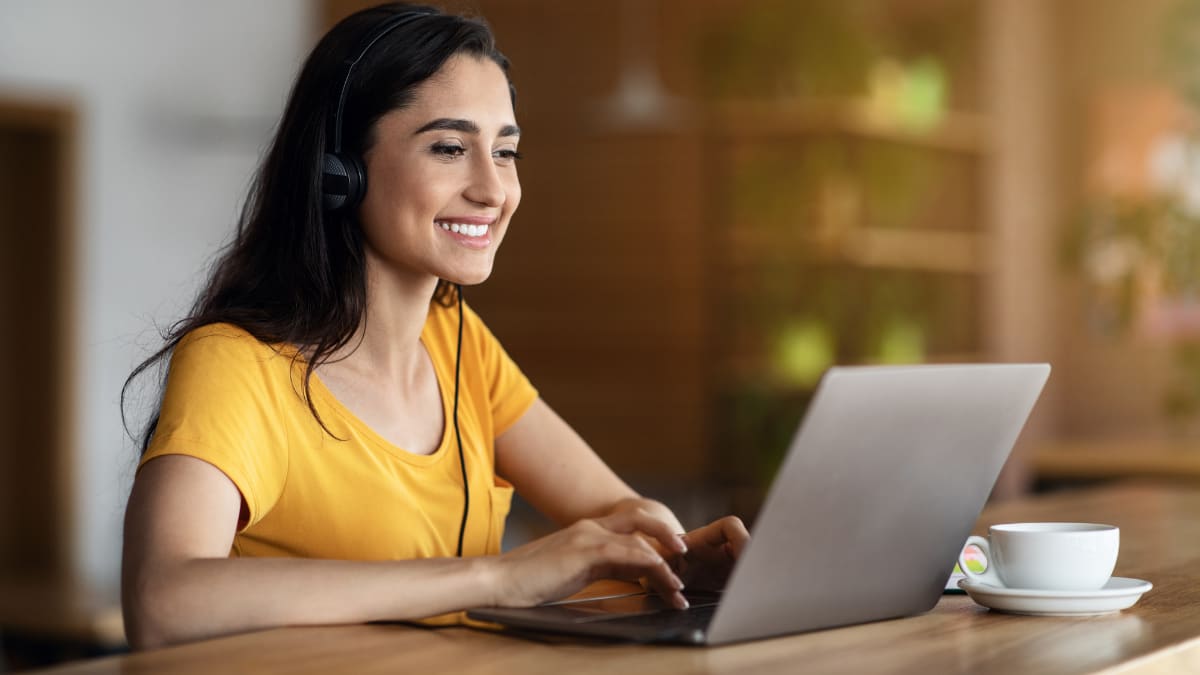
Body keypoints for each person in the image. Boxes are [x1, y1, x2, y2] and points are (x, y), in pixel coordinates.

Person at [120, 2, 749, 650]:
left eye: (506, 151)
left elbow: (614, 517)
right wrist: (495, 575)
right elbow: (162, 601)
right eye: (450, 147)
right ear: (340, 169)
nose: (493, 188)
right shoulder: (237, 363)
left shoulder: (457, 341)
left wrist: (674, 556)